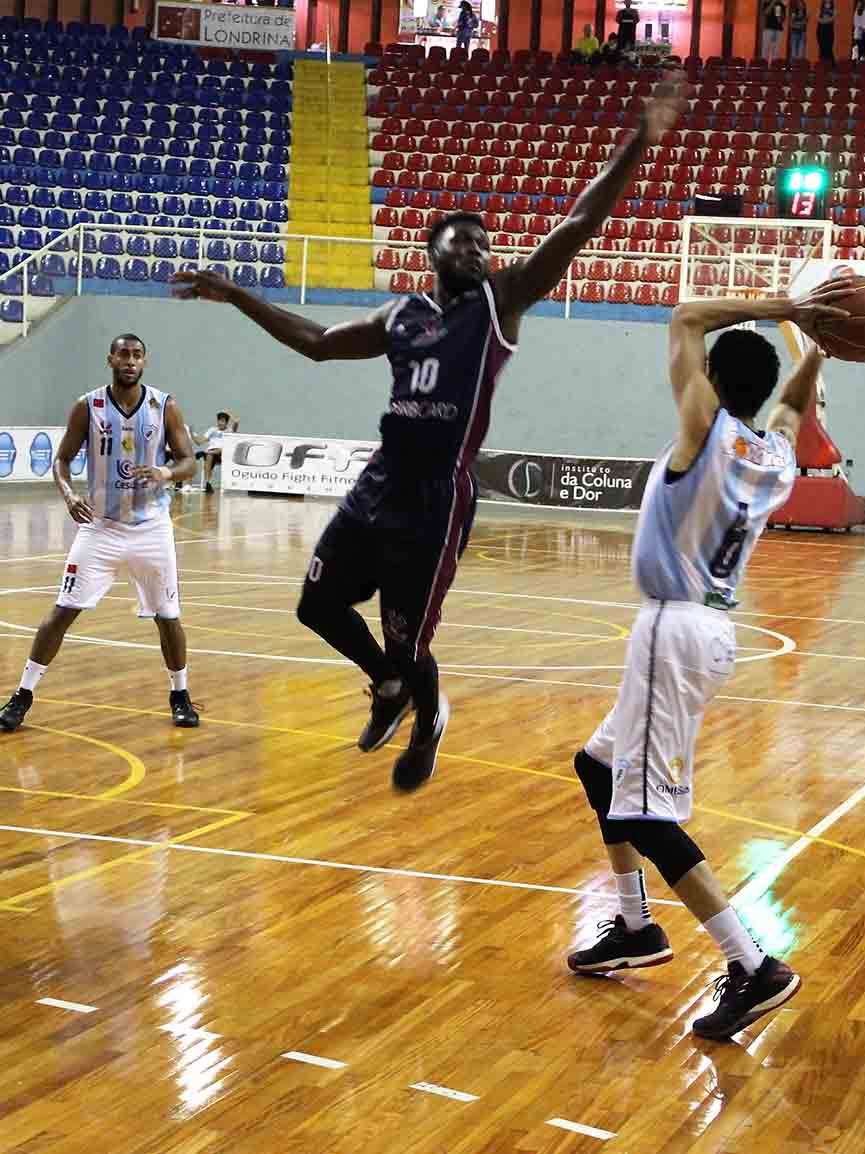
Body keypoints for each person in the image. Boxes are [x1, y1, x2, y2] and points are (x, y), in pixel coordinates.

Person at [170, 75, 686, 793]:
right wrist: (235, 295)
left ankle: (427, 715)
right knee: (317, 605)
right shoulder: (399, 315)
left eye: (484, 243)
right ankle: (390, 687)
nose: (477, 249)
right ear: (432, 249)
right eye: (462, 240)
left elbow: (576, 225)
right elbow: (317, 343)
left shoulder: (501, 299)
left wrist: (638, 143)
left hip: (436, 499)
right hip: (379, 483)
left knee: (409, 641)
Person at [564, 285, 852, 1041]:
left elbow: (686, 317)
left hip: (673, 628)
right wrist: (816, 351)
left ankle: (754, 966)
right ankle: (635, 926)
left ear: (713, 381)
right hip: (707, 630)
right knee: (597, 768)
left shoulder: (705, 430)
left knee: (645, 814)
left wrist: (788, 307)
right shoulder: (774, 455)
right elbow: (791, 410)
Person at [0, 335, 201, 733]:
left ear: (145, 361)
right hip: (101, 526)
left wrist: (165, 472)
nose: (130, 361)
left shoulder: (164, 405)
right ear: (110, 359)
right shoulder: (87, 406)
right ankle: (22, 695)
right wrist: (69, 495)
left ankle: (180, 695)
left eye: (137, 355)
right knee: (62, 611)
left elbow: (189, 461)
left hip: (151, 527)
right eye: (123, 354)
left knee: (168, 617)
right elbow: (61, 459)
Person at [192, 409, 237, 493]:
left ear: (226, 422)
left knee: (220, 450)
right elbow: (199, 442)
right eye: (219, 420)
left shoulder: (229, 431)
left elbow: (236, 422)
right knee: (209, 456)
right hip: (211, 453)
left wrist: (228, 414)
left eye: (223, 421)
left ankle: (205, 453)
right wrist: (192, 434)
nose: (220, 423)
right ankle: (208, 483)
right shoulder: (212, 430)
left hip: (223, 453)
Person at [762, 0, 787, 65]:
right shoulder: (767, 2)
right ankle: (763, 66)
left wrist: (780, 15)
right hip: (768, 28)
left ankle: (774, 66)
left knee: (776, 50)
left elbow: (782, 19)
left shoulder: (782, 4)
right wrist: (773, 2)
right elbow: (766, 12)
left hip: (778, 29)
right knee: (765, 48)